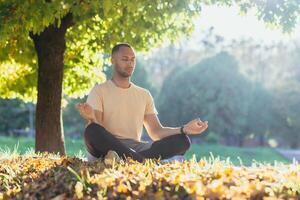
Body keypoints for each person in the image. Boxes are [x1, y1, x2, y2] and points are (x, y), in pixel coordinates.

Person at [76, 43, 208, 163]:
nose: (130, 63)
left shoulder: (144, 94)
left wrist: (184, 129)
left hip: (136, 147)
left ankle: (133, 161)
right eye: (125, 59)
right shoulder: (99, 90)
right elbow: (98, 130)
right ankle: (141, 161)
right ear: (113, 61)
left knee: (183, 140)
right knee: (92, 130)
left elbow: (156, 132)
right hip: (109, 147)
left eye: (133, 59)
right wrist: (92, 118)